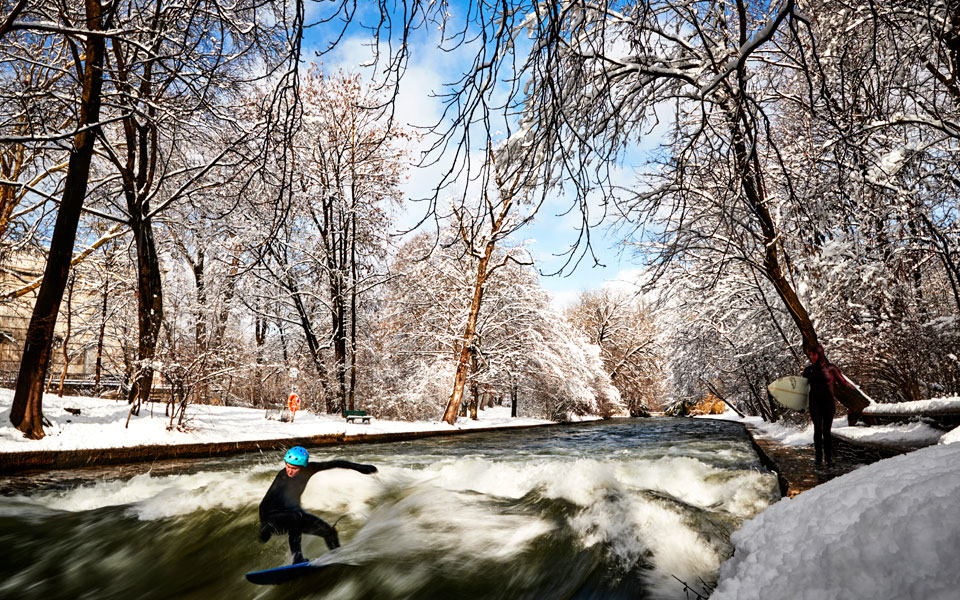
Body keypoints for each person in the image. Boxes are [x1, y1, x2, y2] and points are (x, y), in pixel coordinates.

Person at [258, 446, 378, 564]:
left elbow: (335, 463)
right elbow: (264, 503)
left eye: (294, 468)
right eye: (288, 466)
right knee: (297, 517)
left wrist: (360, 467)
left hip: (295, 515)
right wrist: (264, 525)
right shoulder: (282, 477)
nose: (290, 470)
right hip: (274, 519)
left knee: (329, 532)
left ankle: (337, 557)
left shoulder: (311, 468)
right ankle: (297, 558)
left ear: (303, 466)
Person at [802, 344, 851, 467]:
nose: (812, 357)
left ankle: (828, 458)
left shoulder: (831, 368)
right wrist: (800, 405)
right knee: (817, 428)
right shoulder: (808, 370)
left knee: (826, 431)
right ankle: (818, 457)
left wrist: (854, 391)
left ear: (820, 354)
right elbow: (802, 389)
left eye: (814, 354)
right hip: (814, 403)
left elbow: (843, 382)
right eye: (811, 355)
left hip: (828, 403)